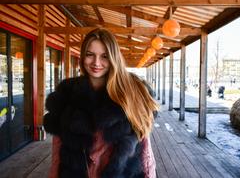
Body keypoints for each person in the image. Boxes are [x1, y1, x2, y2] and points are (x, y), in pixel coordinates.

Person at [44, 28, 159, 178]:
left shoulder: (132, 93)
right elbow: (57, 152)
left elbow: (146, 152)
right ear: (82, 57)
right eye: (90, 55)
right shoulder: (67, 95)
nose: (96, 62)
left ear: (113, 58)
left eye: (104, 56)